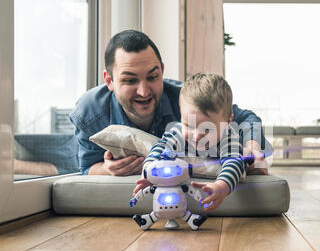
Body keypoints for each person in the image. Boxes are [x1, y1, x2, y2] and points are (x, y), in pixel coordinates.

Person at [69, 29, 272, 176]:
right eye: (130, 80)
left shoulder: (186, 98)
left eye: (153, 77)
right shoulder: (89, 112)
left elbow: (245, 117)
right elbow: (86, 168)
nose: (144, 91)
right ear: (109, 81)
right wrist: (106, 169)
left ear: (162, 71)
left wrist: (252, 145)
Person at [134, 73, 244, 212]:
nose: (197, 135)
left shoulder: (228, 137)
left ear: (227, 122)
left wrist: (221, 186)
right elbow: (160, 147)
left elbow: (234, 161)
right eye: (189, 126)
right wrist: (149, 170)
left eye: (207, 129)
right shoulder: (178, 132)